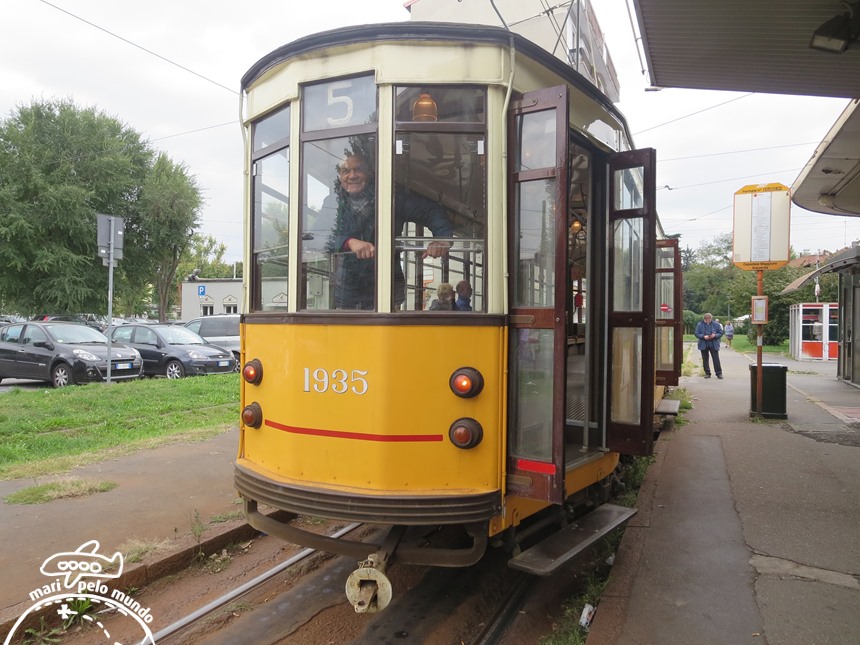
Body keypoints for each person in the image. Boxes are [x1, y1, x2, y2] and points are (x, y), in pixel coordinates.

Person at [325, 152, 453, 310]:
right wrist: (349, 242)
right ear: (340, 177)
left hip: (388, 281)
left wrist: (442, 239)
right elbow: (319, 237)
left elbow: (431, 211)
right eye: (346, 171)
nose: (352, 176)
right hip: (347, 286)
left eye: (358, 169)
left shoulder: (392, 196)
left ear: (369, 172)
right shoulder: (333, 202)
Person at [695, 312, 723, 379]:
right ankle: (707, 373)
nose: (707, 321)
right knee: (705, 359)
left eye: (709, 320)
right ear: (704, 319)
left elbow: (720, 333)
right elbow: (696, 333)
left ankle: (719, 373)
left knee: (716, 359)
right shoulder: (699, 324)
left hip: (713, 343)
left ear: (711, 319)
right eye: (706, 320)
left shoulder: (716, 324)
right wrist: (703, 336)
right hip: (703, 343)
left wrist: (715, 335)